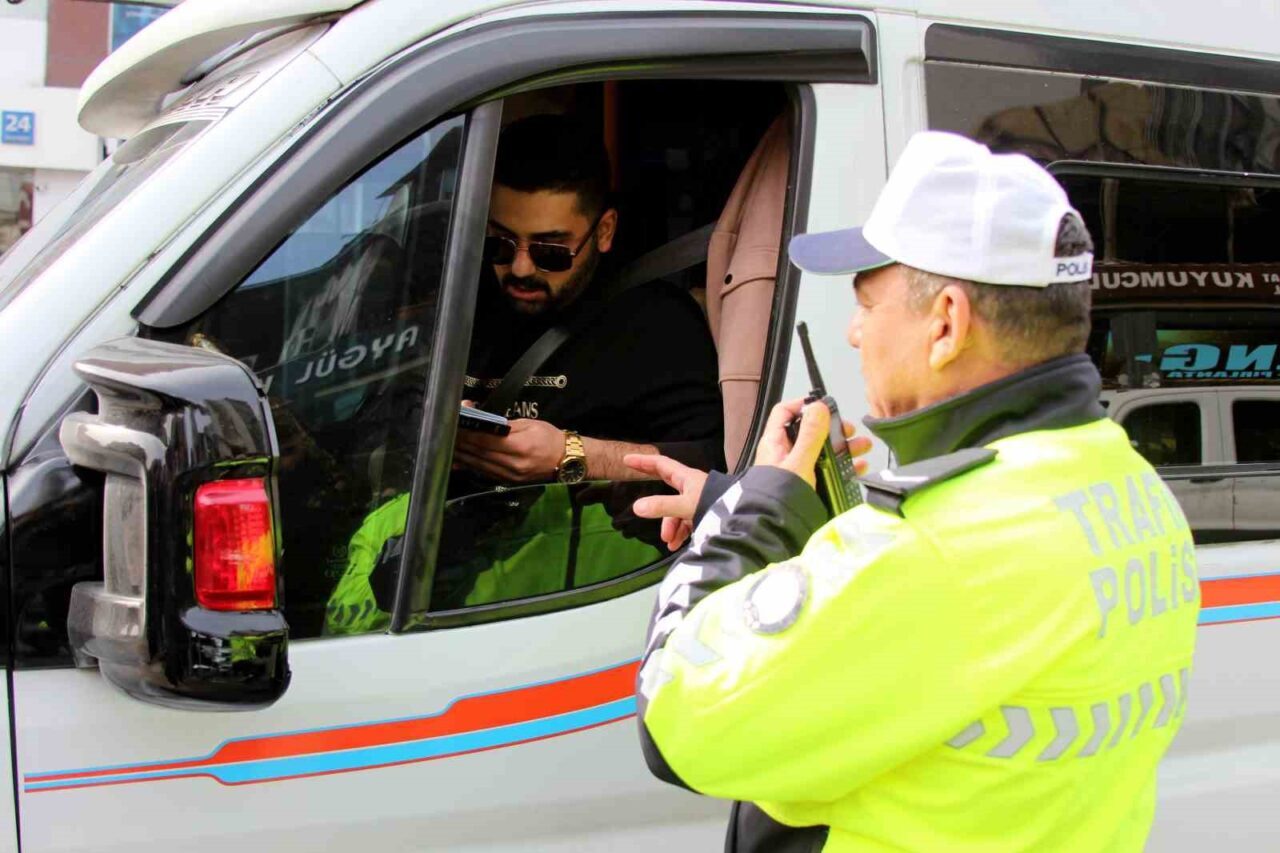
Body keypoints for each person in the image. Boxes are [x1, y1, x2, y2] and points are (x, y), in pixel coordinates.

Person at [626, 131, 1199, 852]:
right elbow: (951, 664)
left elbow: (676, 719)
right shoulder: (1131, 487)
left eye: (868, 304)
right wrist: (780, 517)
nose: (855, 333)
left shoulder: (932, 551)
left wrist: (752, 516)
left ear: (947, 322)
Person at [323, 113, 723, 633]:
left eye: (551, 250)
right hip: (431, 578)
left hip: (576, 602)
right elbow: (385, 403)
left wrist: (572, 457)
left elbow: (718, 470)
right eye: (500, 244)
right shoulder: (455, 301)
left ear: (603, 232)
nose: (521, 269)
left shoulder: (659, 328)